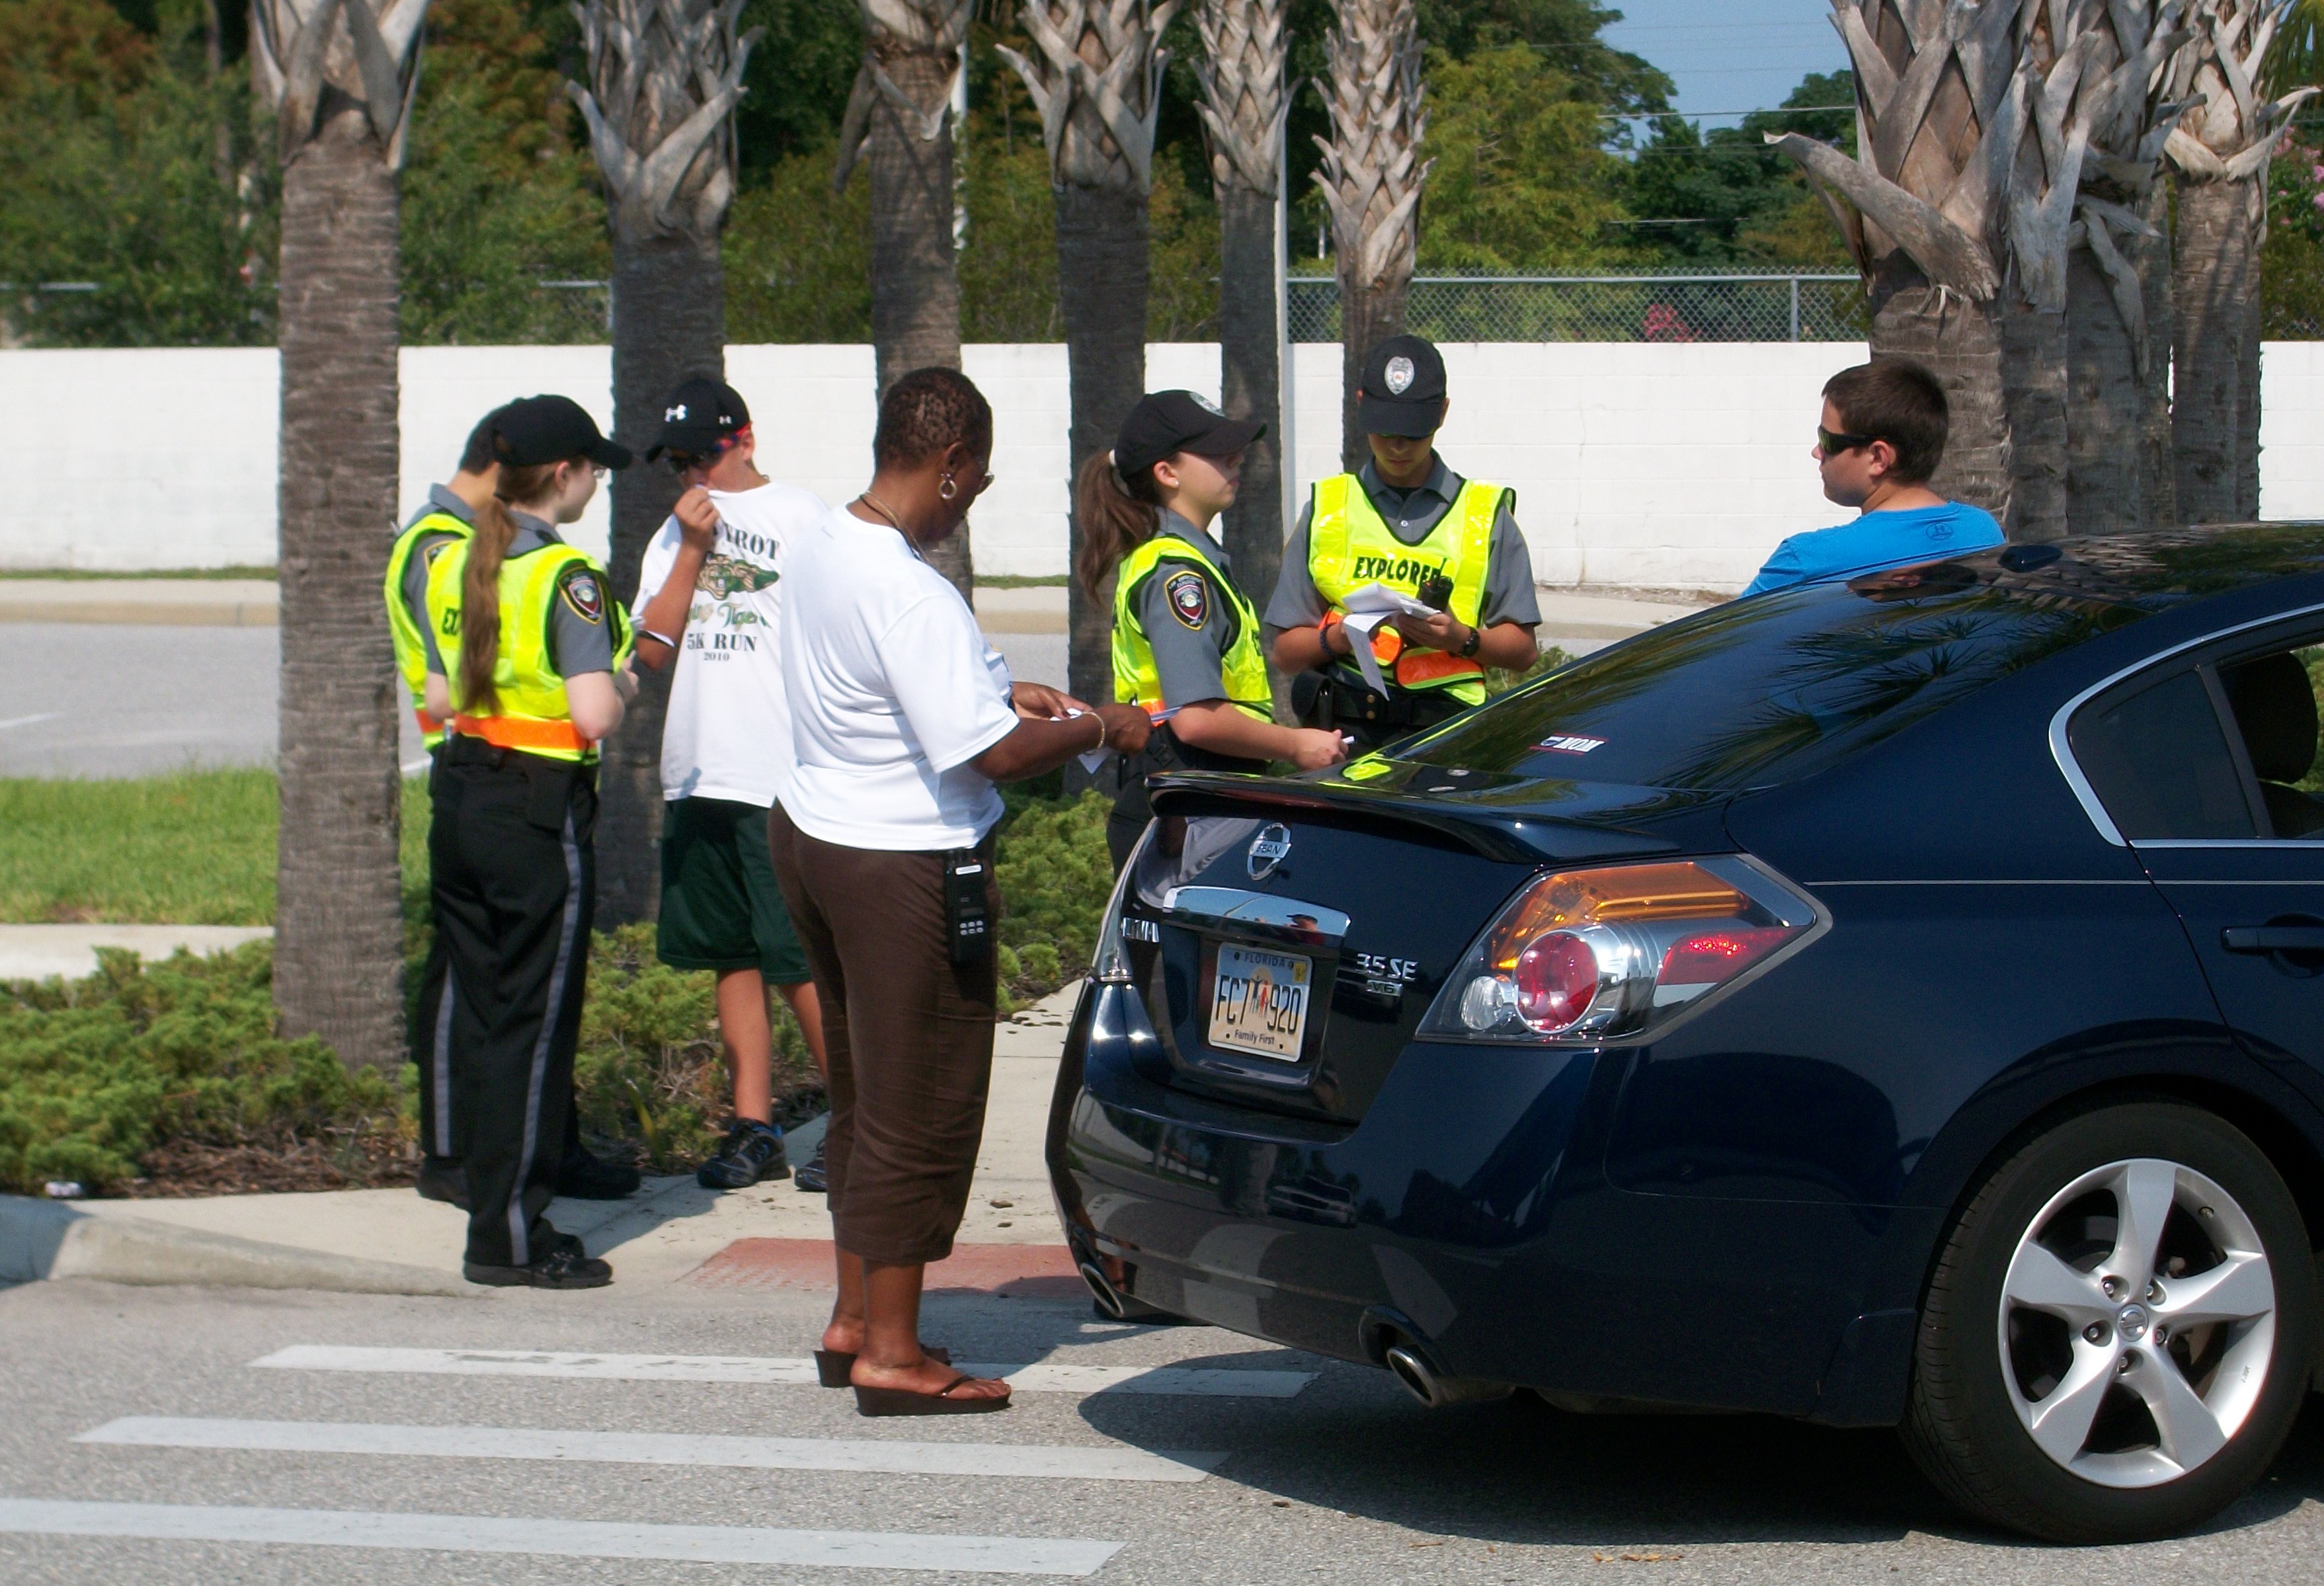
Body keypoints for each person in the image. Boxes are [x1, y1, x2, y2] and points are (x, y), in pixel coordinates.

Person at [770, 366, 1149, 1412]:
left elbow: (905, 688)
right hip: (901, 862)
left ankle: (854, 1316)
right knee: (918, 1105)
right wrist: (1095, 724)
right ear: (949, 466)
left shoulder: (823, 545)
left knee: (858, 1093)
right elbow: (984, 754)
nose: (966, 506)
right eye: (972, 487)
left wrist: (998, 685)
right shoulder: (908, 586)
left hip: (813, 834)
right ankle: (892, 1353)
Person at [421, 394, 639, 1289]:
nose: (595, 480)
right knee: (534, 1019)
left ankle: (478, 1186)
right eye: (592, 466)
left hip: (462, 796)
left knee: (481, 1006)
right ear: (564, 475)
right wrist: (620, 679)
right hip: (537, 812)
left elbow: (438, 699)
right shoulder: (566, 575)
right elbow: (591, 713)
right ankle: (509, 1232)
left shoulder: (451, 559)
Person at [628, 376, 831, 1193]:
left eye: (700, 455)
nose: (690, 474)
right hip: (701, 766)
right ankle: (755, 1124)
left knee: (795, 957)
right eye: (676, 461)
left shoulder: (804, 516)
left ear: (742, 438)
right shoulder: (675, 530)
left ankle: (858, 1117)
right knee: (732, 953)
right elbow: (651, 649)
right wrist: (688, 546)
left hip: (776, 770)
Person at [1077, 390, 1347, 872]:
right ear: (1167, 472)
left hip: (1192, 804)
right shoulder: (1178, 575)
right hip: (1186, 815)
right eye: (1214, 450)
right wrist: (1296, 744)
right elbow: (1196, 720)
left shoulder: (1186, 558)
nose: (1234, 457)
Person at [1265, 335, 1543, 751]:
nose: (1397, 446)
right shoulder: (1327, 508)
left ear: (1443, 412)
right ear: (1361, 403)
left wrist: (1460, 639)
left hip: (1446, 737)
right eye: (1386, 430)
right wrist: (1341, 638)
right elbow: (1285, 654)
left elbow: (1523, 652)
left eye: (1413, 433)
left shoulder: (1485, 514)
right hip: (1344, 734)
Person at [387, 409, 500, 1209]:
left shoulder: (465, 539)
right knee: (462, 973)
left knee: (513, 979)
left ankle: (531, 1142)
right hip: (464, 766)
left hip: (506, 773)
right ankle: (450, 1151)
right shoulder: (440, 546)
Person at [1740, 358, 2004, 598]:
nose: (1816, 452)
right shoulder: (1984, 532)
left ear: (1878, 458)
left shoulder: (1806, 560)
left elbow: (1723, 642)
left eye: (1827, 440)